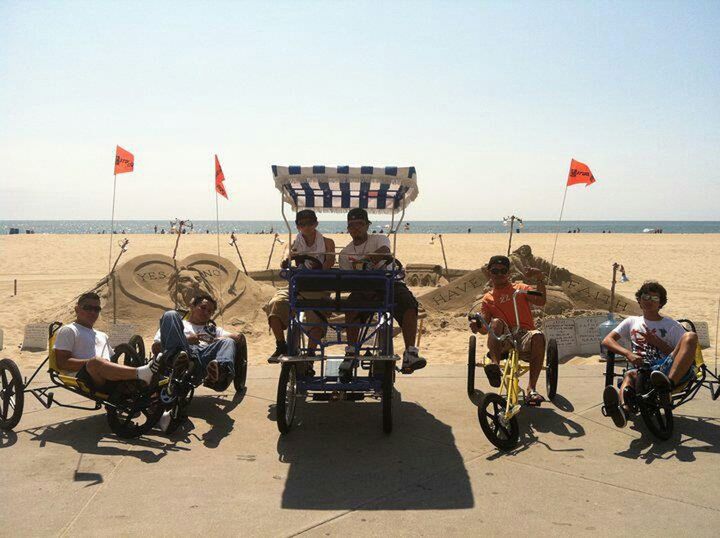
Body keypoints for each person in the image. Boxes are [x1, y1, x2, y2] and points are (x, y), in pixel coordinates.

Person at [338, 208, 425, 381]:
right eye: (352, 225)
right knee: (351, 307)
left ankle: (410, 353)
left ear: (367, 225)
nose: (356, 228)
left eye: (360, 224)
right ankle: (351, 352)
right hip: (363, 287)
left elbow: (384, 251)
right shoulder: (345, 253)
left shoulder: (379, 239)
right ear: (348, 228)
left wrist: (365, 260)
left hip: (389, 283)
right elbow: (348, 280)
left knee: (409, 304)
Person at [601, 281, 697, 428]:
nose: (649, 301)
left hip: (665, 369)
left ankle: (667, 388)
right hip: (640, 370)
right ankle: (623, 411)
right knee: (629, 375)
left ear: (661, 303)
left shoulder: (671, 325)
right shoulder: (632, 321)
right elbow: (607, 340)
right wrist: (628, 354)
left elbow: (685, 353)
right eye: (645, 297)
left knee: (690, 336)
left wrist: (657, 342)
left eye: (654, 299)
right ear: (639, 300)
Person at [470, 255, 547, 405]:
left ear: (508, 274)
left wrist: (539, 279)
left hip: (525, 334)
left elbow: (541, 301)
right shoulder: (488, 298)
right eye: (495, 271)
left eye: (503, 271)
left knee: (538, 336)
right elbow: (485, 329)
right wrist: (477, 326)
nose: (499, 274)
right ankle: (495, 366)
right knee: (496, 322)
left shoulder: (521, 289)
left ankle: (531, 389)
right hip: (504, 339)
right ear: (489, 273)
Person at [54, 292, 164, 394]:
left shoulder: (102, 335)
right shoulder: (69, 330)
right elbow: (62, 363)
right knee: (95, 362)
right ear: (77, 309)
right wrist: (94, 363)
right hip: (87, 377)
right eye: (88, 308)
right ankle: (143, 373)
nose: (92, 312)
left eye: (96, 309)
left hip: (110, 377)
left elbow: (113, 360)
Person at [264, 209, 336, 360]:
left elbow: (329, 261)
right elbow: (286, 256)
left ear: (316, 223)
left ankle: (310, 354)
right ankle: (281, 344)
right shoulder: (294, 243)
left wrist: (320, 267)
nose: (306, 227)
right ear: (297, 226)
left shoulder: (327, 242)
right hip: (298, 286)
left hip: (318, 286)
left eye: (310, 223)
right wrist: (287, 259)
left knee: (316, 316)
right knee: (275, 304)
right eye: (302, 224)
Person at [151, 293, 242, 391]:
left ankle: (220, 374)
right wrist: (187, 340)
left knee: (228, 341)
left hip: (202, 358)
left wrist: (220, 338)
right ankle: (178, 360)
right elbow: (156, 347)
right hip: (179, 353)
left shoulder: (213, 329)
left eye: (210, 311)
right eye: (203, 308)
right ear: (193, 307)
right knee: (170, 314)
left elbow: (237, 338)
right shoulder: (177, 324)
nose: (206, 312)